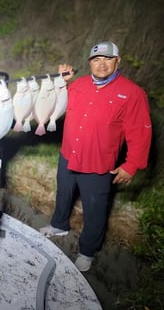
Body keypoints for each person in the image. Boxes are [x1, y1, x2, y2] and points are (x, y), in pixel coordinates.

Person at [39, 41, 152, 272]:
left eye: (108, 59)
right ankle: (59, 225)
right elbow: (51, 105)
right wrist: (61, 83)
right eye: (96, 59)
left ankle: (87, 251)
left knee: (95, 208)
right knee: (64, 193)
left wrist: (131, 165)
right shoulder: (78, 85)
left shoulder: (132, 93)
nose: (102, 64)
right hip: (69, 154)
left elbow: (140, 131)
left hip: (98, 163)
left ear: (117, 61)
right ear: (89, 62)